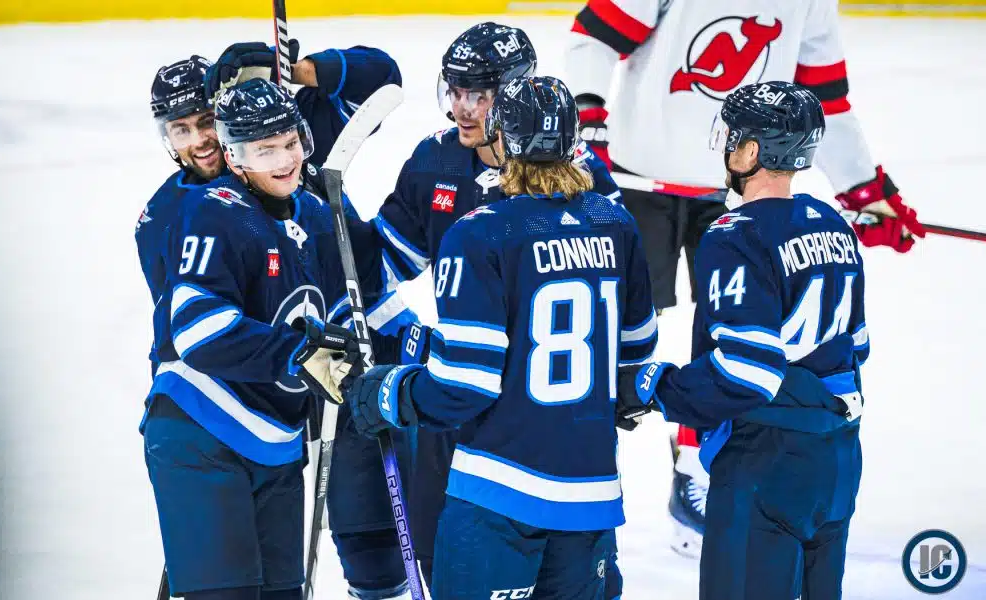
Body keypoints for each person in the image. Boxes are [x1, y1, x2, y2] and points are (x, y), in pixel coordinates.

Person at [565, 0, 919, 556]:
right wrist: (588, 120)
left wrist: (862, 187)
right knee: (611, 329)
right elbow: (594, 36)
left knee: (728, 335)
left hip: (739, 184)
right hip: (637, 176)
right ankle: (578, 461)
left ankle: (696, 465)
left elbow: (824, 96)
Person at [339, 75, 658, 599]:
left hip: (498, 492)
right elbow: (636, 351)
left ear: (503, 138)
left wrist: (388, 393)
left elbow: (463, 387)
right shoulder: (616, 222)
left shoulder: (478, 231)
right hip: (592, 494)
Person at [142, 78, 412, 600]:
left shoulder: (315, 212)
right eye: (264, 150)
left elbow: (350, 298)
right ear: (234, 158)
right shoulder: (213, 211)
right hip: (202, 430)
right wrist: (302, 353)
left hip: (278, 441)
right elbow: (199, 329)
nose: (285, 159)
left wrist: (360, 356)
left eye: (290, 143)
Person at [615, 81, 867, 600]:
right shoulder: (833, 224)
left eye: (732, 136)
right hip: (837, 461)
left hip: (767, 464)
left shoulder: (735, 235)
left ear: (752, 152)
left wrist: (658, 387)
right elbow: (855, 346)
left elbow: (747, 372)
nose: (725, 146)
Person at [137, 55, 223, 362]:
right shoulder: (160, 217)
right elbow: (180, 329)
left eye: (207, 122)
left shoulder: (277, 167)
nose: (199, 141)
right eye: (181, 130)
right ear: (168, 137)